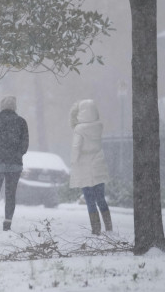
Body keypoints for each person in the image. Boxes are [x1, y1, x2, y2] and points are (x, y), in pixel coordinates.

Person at [0, 95, 29, 232]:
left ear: (1, 106)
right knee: (10, 194)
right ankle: (7, 224)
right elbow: (25, 144)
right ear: (15, 106)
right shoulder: (21, 122)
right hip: (14, 164)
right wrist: (17, 154)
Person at [69, 99, 112, 234]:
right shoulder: (99, 126)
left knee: (89, 200)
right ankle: (109, 227)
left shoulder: (79, 129)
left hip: (84, 167)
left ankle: (96, 229)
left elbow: (76, 147)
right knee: (100, 198)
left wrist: (73, 162)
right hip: (98, 164)